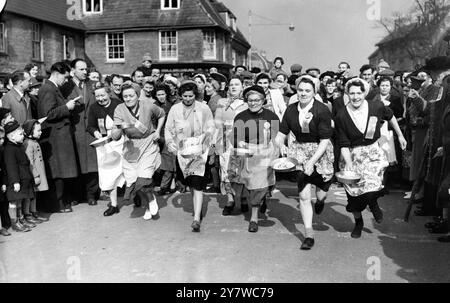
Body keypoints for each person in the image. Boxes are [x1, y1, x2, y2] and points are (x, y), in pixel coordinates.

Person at [334, 78, 406, 239]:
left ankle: (373, 204)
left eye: (359, 93)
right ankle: (358, 222)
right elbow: (343, 144)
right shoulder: (342, 115)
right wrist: (350, 165)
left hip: (372, 153)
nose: (355, 97)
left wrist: (400, 135)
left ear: (364, 93)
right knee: (354, 195)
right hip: (351, 155)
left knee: (372, 188)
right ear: (347, 94)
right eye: (351, 93)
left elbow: (391, 116)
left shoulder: (376, 106)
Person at [275, 77, 334, 250]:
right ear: (296, 90)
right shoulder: (291, 110)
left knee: (322, 191)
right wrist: (281, 144)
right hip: (299, 151)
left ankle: (321, 200)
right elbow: (281, 133)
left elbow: (325, 140)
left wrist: (312, 161)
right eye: (300, 90)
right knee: (303, 195)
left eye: (308, 90)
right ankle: (309, 234)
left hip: (320, 151)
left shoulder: (322, 110)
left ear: (314, 92)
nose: (303, 93)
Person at [165, 81, 215, 232]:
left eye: (191, 96)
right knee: (190, 182)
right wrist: (169, 142)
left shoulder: (203, 108)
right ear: (181, 96)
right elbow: (168, 128)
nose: (187, 99)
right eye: (185, 96)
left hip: (199, 149)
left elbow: (211, 125)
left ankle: (196, 218)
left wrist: (209, 141)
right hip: (183, 151)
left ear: (195, 95)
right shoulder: (175, 109)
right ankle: (196, 206)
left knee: (198, 183)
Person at [111, 83, 165, 220]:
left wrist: (158, 131)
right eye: (125, 96)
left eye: (131, 95)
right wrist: (118, 128)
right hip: (130, 145)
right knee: (133, 180)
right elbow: (115, 136)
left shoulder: (148, 105)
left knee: (144, 176)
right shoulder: (119, 109)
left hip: (148, 143)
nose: (128, 99)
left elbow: (161, 114)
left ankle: (151, 199)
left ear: (137, 95)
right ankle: (147, 204)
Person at [232, 85, 279, 233]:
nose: (253, 103)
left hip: (267, 154)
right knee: (252, 185)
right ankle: (259, 204)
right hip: (249, 154)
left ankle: (253, 218)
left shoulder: (272, 116)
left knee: (262, 185)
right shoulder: (240, 117)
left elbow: (277, 136)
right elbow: (235, 137)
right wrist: (239, 143)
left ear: (263, 100)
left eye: (257, 100)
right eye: (250, 100)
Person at [37, 62, 79, 213]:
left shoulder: (51, 88)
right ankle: (57, 204)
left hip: (58, 135)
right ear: (56, 73)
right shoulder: (48, 89)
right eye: (65, 77)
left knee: (60, 171)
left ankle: (60, 202)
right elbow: (47, 114)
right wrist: (66, 108)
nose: (66, 80)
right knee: (57, 172)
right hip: (55, 136)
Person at [60, 58, 99, 206]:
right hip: (74, 130)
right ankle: (77, 195)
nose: (85, 72)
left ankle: (91, 195)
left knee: (92, 164)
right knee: (77, 163)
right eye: (81, 69)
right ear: (73, 71)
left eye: (86, 69)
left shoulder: (93, 85)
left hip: (91, 129)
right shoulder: (65, 87)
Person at [87, 84, 124, 217]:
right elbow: (90, 126)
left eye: (103, 95)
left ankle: (134, 194)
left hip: (121, 141)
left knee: (127, 171)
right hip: (105, 143)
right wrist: (95, 132)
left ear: (109, 94)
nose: (100, 98)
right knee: (110, 174)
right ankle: (114, 204)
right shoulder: (93, 108)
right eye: (97, 96)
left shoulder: (118, 104)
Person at [214, 77, 248, 214]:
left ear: (242, 87)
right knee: (225, 170)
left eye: (237, 84)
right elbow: (217, 121)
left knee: (242, 169)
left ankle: (244, 197)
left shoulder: (247, 102)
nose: (233, 87)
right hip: (225, 139)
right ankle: (230, 199)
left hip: (243, 139)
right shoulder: (222, 102)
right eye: (231, 85)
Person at [3, 121, 35, 232]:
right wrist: (15, 182)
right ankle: (15, 223)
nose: (23, 136)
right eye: (20, 134)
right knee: (13, 202)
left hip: (22, 180)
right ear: (12, 136)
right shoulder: (9, 150)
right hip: (15, 182)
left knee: (19, 201)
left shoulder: (17, 147)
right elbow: (11, 167)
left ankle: (20, 219)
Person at [151, 83, 177, 196]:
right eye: (158, 94)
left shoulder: (171, 106)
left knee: (168, 162)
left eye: (162, 94)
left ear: (166, 94)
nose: (161, 96)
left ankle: (164, 186)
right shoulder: (153, 106)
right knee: (158, 163)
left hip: (169, 136)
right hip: (157, 136)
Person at [22, 119, 49, 223]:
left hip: (38, 173)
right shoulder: (28, 144)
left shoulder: (33, 142)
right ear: (30, 132)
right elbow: (30, 162)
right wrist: (35, 175)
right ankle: (28, 214)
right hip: (33, 174)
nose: (40, 132)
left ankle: (34, 212)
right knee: (31, 195)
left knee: (34, 194)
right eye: (38, 130)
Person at [0, 127, 12, 236]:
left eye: (3, 138)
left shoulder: (2, 150)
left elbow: (3, 169)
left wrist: (3, 183)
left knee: (3, 205)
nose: (2, 141)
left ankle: (4, 225)